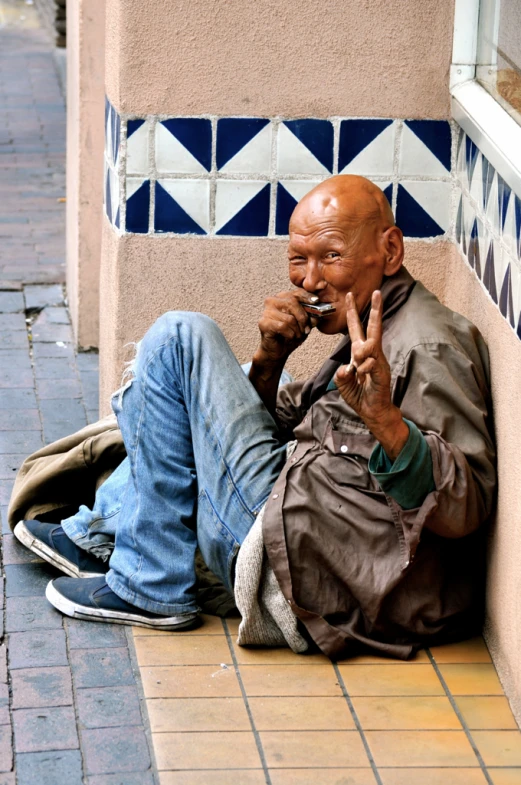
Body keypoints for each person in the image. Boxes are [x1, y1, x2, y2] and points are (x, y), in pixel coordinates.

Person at [14, 175, 496, 660]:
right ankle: (106, 534)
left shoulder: (427, 345)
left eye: (330, 256)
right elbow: (285, 419)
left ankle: (148, 581)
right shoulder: (374, 322)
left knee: (181, 338)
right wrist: (270, 361)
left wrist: (387, 423)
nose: (310, 280)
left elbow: (467, 506)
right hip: (296, 528)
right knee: (234, 376)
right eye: (298, 260)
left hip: (305, 571)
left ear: (390, 251)